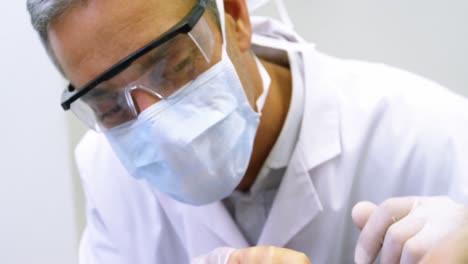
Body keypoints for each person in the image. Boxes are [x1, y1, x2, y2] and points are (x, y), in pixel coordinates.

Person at [26, 0, 468, 263]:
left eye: (169, 65)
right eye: (107, 103)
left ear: (234, 17)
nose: (153, 124)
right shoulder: (107, 172)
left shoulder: (429, 136)